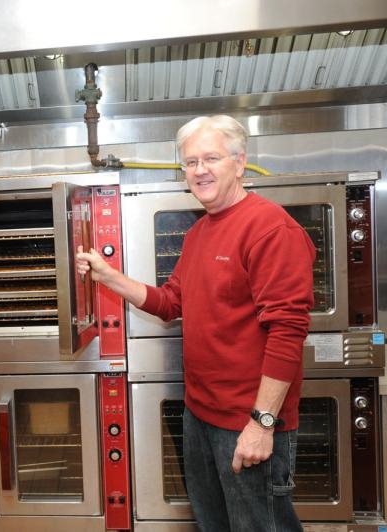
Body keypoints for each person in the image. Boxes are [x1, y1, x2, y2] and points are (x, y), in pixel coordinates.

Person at [77, 115, 315, 531]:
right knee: (214, 524)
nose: (200, 170)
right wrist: (109, 276)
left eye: (211, 158)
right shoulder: (199, 233)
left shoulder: (271, 228)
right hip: (200, 414)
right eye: (190, 162)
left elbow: (287, 332)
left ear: (240, 163)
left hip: (247, 420)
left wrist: (262, 424)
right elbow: (171, 302)